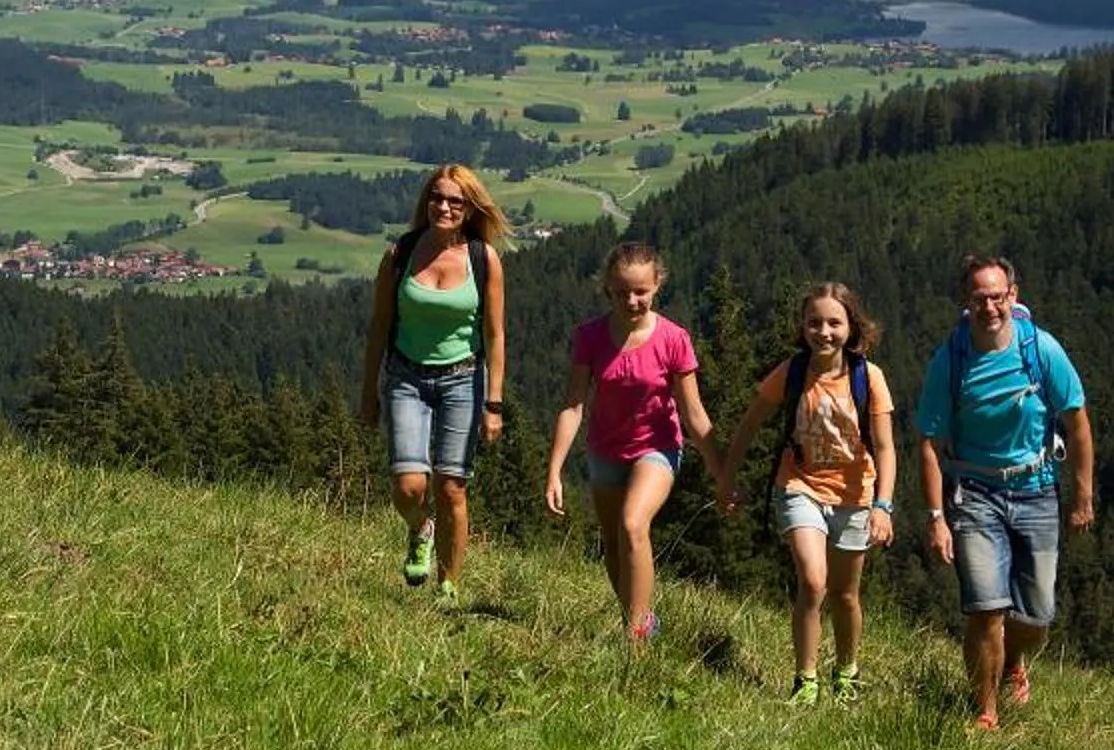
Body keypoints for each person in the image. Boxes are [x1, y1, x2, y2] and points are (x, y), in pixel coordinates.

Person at [918, 255, 1094, 730]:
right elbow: (929, 443)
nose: (990, 307)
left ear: (1013, 296)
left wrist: (1083, 496)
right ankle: (986, 710)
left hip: (1037, 490)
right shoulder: (951, 359)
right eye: (979, 298)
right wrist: (936, 516)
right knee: (985, 608)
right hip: (974, 494)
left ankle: (1014, 659)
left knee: (1036, 617)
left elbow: (1076, 421)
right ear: (965, 302)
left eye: (997, 297)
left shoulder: (1042, 350)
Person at [721, 281, 899, 703]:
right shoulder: (792, 372)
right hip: (799, 486)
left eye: (834, 323)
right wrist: (727, 477)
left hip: (856, 496)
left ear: (851, 327)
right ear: (802, 326)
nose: (824, 332)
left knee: (845, 594)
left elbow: (887, 447)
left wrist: (883, 506)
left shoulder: (868, 377)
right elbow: (749, 426)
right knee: (814, 582)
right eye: (814, 322)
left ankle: (847, 671)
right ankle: (806, 679)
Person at [545, 241, 728, 644]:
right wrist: (554, 470)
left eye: (640, 291)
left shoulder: (673, 339)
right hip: (605, 451)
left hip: (657, 448)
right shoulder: (590, 337)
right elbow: (573, 405)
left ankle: (637, 637)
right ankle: (638, 615)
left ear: (657, 285)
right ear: (607, 289)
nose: (631, 300)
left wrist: (722, 475)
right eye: (621, 291)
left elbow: (694, 415)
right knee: (612, 544)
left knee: (632, 524)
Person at [358, 165, 509, 604]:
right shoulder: (400, 254)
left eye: (455, 201)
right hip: (406, 377)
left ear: (469, 209)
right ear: (427, 201)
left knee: (451, 487)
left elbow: (495, 335)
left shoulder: (483, 259)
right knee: (409, 487)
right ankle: (420, 528)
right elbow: (379, 325)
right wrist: (369, 391)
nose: (444, 207)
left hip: (464, 379)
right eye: (437, 198)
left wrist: (494, 403)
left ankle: (449, 584)